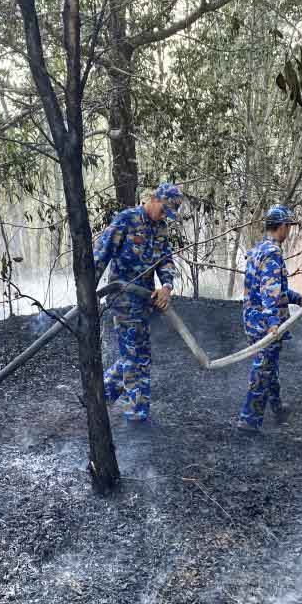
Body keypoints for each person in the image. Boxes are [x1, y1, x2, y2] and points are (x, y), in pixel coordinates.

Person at [93, 182, 183, 425]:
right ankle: (137, 414)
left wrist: (166, 286)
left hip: (145, 301)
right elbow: (100, 255)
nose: (165, 216)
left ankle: (99, 395)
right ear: (154, 199)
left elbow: (166, 261)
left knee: (138, 354)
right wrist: (88, 293)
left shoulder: (161, 229)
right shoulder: (126, 220)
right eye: (164, 209)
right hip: (122, 299)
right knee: (135, 356)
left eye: (169, 214)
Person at [237, 205, 302, 432]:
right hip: (265, 323)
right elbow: (269, 292)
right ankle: (248, 421)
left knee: (269, 366)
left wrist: (297, 298)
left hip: (252, 318)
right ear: (283, 226)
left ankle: (277, 408)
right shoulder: (273, 253)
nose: (289, 231)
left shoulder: (258, 249)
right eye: (289, 227)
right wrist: (273, 323)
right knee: (263, 369)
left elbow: (268, 287)